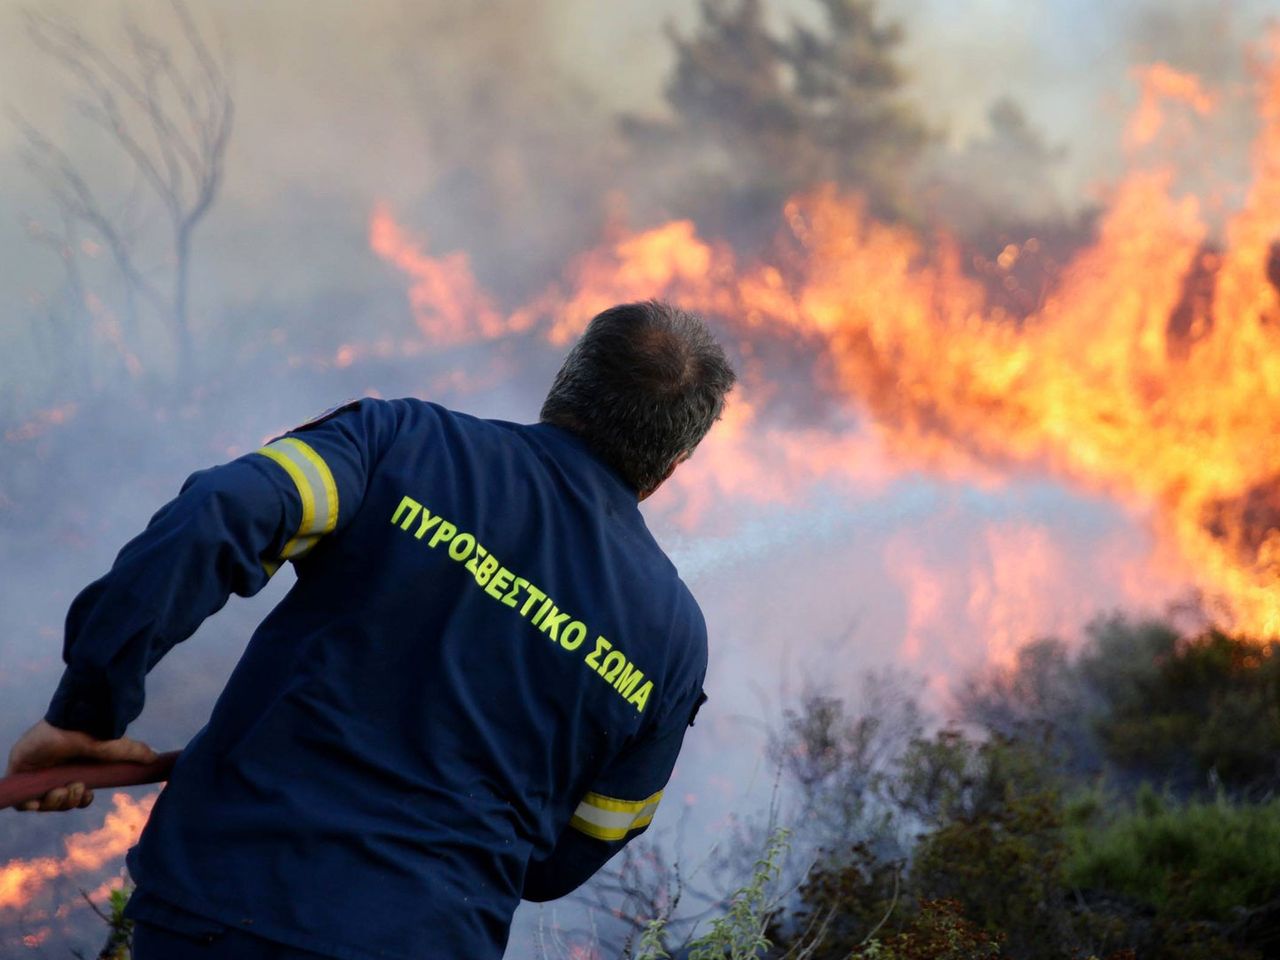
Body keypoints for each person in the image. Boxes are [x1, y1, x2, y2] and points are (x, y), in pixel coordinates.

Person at [4, 300, 736, 959]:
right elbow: (571, 855)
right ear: (671, 467)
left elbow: (218, 514)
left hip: (224, 904)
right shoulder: (675, 645)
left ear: (564, 385)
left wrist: (88, 714)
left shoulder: (402, 443)